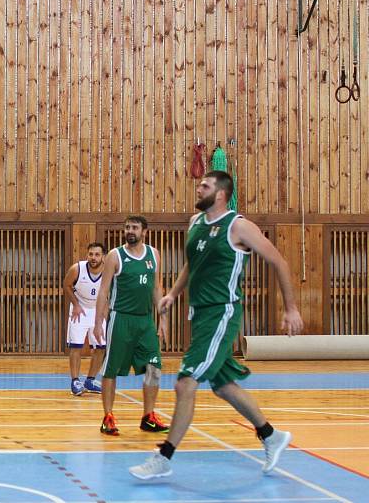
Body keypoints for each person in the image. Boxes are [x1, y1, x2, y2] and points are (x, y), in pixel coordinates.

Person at [129, 171, 304, 480]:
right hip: (199, 314)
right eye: (200, 185)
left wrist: (291, 309)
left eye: (205, 186)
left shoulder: (238, 226)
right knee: (223, 386)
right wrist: (172, 293)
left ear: (220, 194)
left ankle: (164, 457)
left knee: (185, 382)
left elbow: (280, 262)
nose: (199, 188)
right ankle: (271, 436)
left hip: (222, 313)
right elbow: (191, 265)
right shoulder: (195, 224)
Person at [93, 216, 169, 436]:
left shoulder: (154, 254)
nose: (130, 231)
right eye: (127, 227)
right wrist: (99, 322)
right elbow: (104, 291)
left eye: (134, 227)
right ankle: (107, 417)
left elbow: (157, 288)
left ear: (144, 231)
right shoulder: (115, 255)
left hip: (145, 320)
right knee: (111, 369)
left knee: (154, 367)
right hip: (120, 319)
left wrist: (162, 318)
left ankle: (149, 416)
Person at [64, 243, 107, 396]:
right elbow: (67, 285)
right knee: (76, 346)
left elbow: (110, 293)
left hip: (98, 310)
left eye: (97, 254)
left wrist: (104, 313)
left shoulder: (109, 271)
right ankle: (75, 380)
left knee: (100, 347)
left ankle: (90, 380)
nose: (93, 257)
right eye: (90, 254)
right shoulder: (77, 268)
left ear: (103, 257)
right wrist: (75, 304)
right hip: (80, 309)